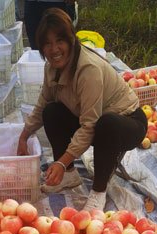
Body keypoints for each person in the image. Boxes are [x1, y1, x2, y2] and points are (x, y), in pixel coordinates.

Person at [18, 8, 147, 212]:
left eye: (59, 41)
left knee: (107, 123)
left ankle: (98, 192)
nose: (54, 49)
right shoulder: (51, 67)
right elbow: (43, 102)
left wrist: (60, 162)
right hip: (96, 122)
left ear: (70, 40)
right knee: (51, 111)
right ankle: (69, 175)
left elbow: (90, 125)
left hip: (128, 123)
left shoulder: (89, 70)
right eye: (47, 43)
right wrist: (24, 135)